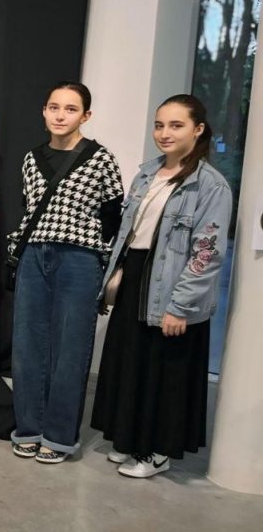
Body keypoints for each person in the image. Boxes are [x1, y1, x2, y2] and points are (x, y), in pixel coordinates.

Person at [91, 94, 232, 478]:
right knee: (131, 363)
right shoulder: (147, 173)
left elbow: (206, 253)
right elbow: (128, 234)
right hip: (137, 275)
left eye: (176, 125)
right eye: (159, 125)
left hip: (172, 283)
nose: (164, 133)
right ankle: (128, 439)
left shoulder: (210, 186)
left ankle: (155, 452)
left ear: (198, 129)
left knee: (162, 371)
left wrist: (180, 306)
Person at [6, 82, 124, 464]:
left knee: (70, 348)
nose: (60, 115)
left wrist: (107, 264)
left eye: (71, 109)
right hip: (33, 255)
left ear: (86, 116)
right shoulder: (31, 158)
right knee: (28, 346)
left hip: (79, 258)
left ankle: (58, 437)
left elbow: (113, 218)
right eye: (54, 107)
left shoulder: (101, 159)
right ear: (44, 111)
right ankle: (29, 428)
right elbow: (28, 208)